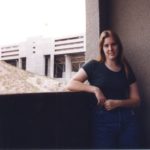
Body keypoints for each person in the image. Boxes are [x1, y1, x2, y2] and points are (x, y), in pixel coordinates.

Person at [66, 30, 141, 149]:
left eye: (113, 44)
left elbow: (136, 100)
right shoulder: (94, 65)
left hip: (128, 121)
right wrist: (95, 89)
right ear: (102, 48)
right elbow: (71, 84)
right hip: (103, 123)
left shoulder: (125, 67)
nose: (110, 48)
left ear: (119, 46)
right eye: (106, 45)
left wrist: (118, 103)